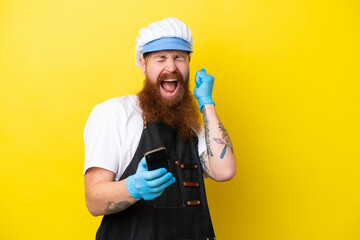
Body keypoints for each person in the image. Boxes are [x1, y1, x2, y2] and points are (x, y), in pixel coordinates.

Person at [84, 17, 236, 240]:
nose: (171, 66)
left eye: (179, 58)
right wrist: (133, 187)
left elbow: (224, 171)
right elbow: (93, 200)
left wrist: (206, 103)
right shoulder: (115, 113)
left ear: (189, 62)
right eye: (160, 58)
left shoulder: (191, 122)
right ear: (143, 64)